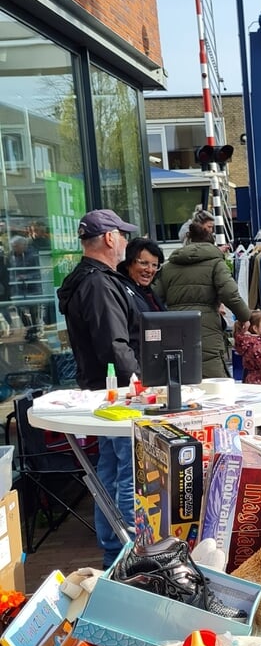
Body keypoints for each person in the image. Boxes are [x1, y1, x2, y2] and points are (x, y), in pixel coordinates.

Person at [56, 208, 140, 568]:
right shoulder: (99, 283)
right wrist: (138, 379)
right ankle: (127, 551)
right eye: (122, 234)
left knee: (110, 467)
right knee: (126, 472)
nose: (125, 242)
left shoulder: (88, 279)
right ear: (109, 238)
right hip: (119, 391)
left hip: (102, 389)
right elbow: (113, 343)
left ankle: (113, 550)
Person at [153, 216, 252, 377]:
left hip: (174, 329)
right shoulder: (216, 263)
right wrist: (244, 317)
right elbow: (230, 293)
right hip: (206, 328)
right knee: (213, 380)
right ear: (211, 243)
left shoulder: (169, 266)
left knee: (179, 375)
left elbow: (155, 298)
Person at [117, 236, 165, 358]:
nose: (150, 270)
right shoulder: (121, 291)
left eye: (155, 265)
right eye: (144, 263)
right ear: (128, 263)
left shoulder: (148, 292)